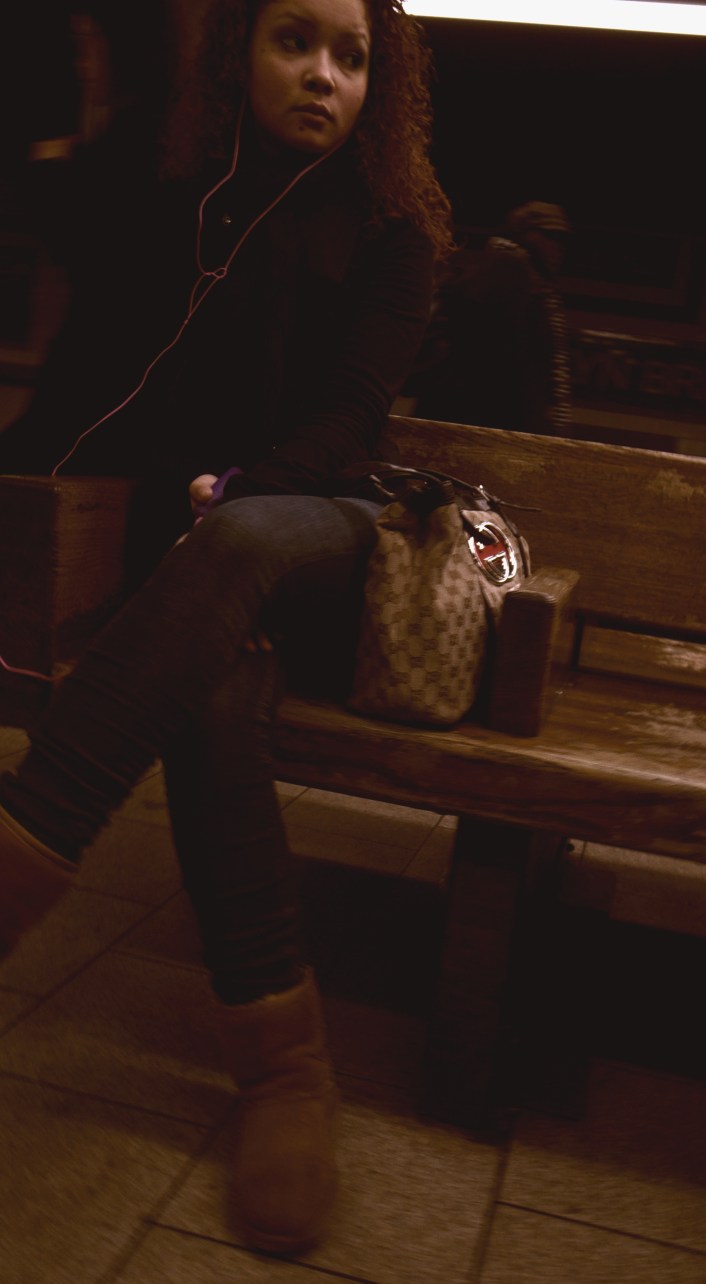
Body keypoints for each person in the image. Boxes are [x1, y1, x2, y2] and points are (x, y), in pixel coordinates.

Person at [0, 0, 451, 1258]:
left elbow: (351, 419)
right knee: (210, 697)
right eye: (295, 41)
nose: (323, 75)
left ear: (380, 85)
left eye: (352, 58)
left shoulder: (395, 232)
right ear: (240, 54)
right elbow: (106, 372)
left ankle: (20, 862)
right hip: (198, 557)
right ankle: (283, 1066)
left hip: (319, 528)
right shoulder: (184, 199)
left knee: (238, 543)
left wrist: (235, 495)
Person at [410, 200, 574, 436]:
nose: (558, 247)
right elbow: (503, 362)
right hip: (479, 422)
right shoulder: (507, 273)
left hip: (475, 418)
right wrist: (532, 423)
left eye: (562, 239)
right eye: (550, 235)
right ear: (525, 234)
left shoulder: (526, 278)